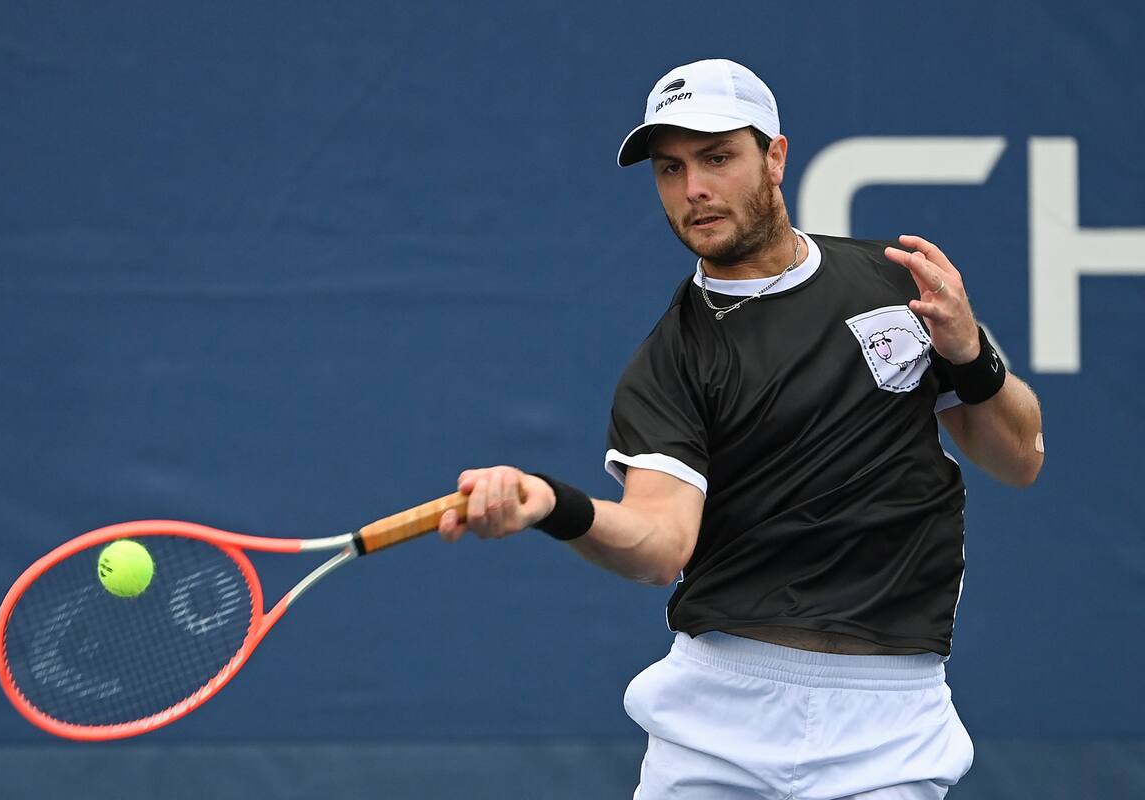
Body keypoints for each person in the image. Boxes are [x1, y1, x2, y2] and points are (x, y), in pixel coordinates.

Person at [438, 59, 1043, 799]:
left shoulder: (897, 285)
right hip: (719, 716)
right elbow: (659, 545)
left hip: (893, 722)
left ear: (775, 157)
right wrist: (551, 504)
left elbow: (1021, 457)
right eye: (670, 168)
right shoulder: (669, 363)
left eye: (717, 157)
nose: (693, 188)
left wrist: (971, 356)